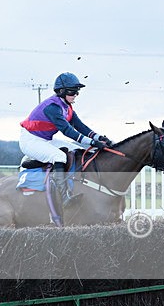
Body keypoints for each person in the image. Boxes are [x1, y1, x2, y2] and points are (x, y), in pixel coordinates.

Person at [18, 72, 113, 225]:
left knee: (75, 150)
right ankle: (64, 197)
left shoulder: (67, 107)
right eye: (72, 91)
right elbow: (68, 131)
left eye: (77, 91)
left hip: (45, 140)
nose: (76, 94)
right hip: (30, 141)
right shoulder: (52, 107)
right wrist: (92, 142)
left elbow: (80, 126)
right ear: (61, 91)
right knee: (60, 157)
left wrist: (98, 137)